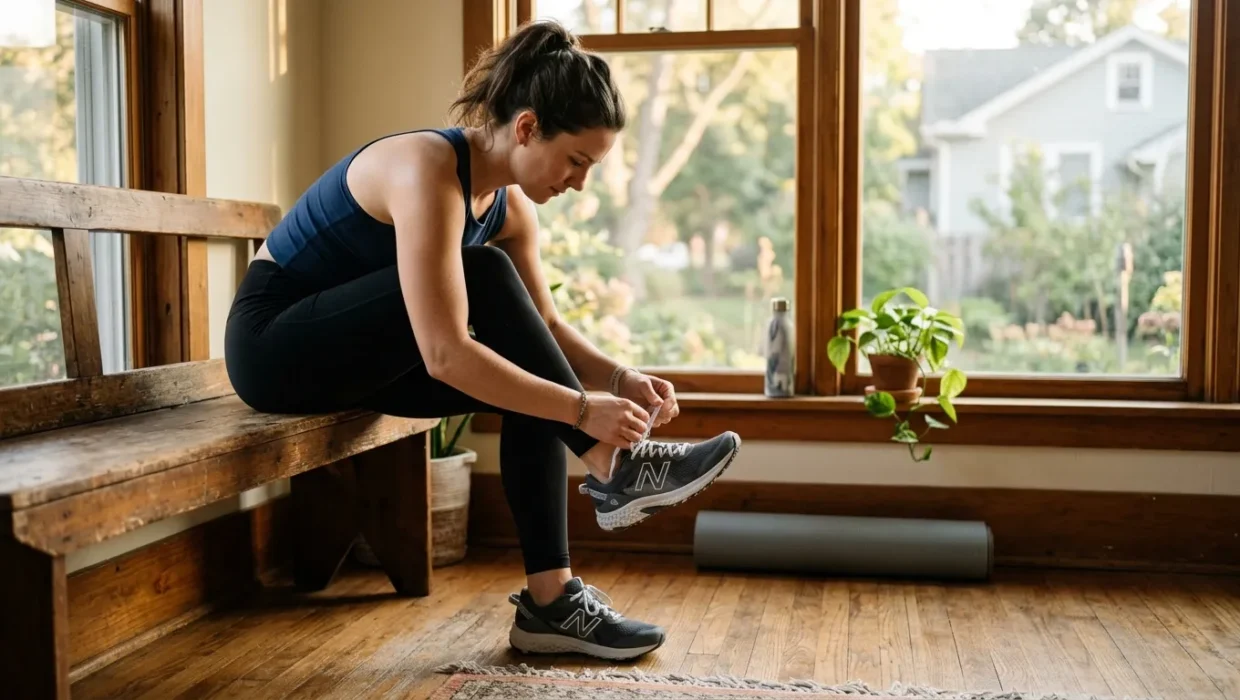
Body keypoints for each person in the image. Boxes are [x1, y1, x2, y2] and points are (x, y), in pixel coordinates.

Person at [223, 19, 740, 661]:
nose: (580, 182)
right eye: (576, 160)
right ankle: (615, 467)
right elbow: (444, 353)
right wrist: (585, 415)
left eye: (592, 167)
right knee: (492, 282)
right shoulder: (424, 168)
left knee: (535, 385)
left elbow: (544, 329)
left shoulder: (510, 207)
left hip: (371, 358)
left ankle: (551, 604)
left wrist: (616, 379)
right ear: (526, 128)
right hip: (276, 348)